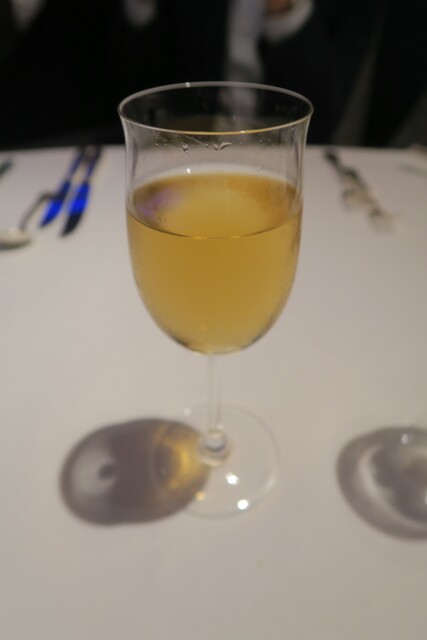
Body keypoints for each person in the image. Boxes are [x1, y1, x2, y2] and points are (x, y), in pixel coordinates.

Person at [0, 0, 382, 149]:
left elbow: (323, 113)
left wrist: (284, 10)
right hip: (184, 151)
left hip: (289, 162)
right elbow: (138, 88)